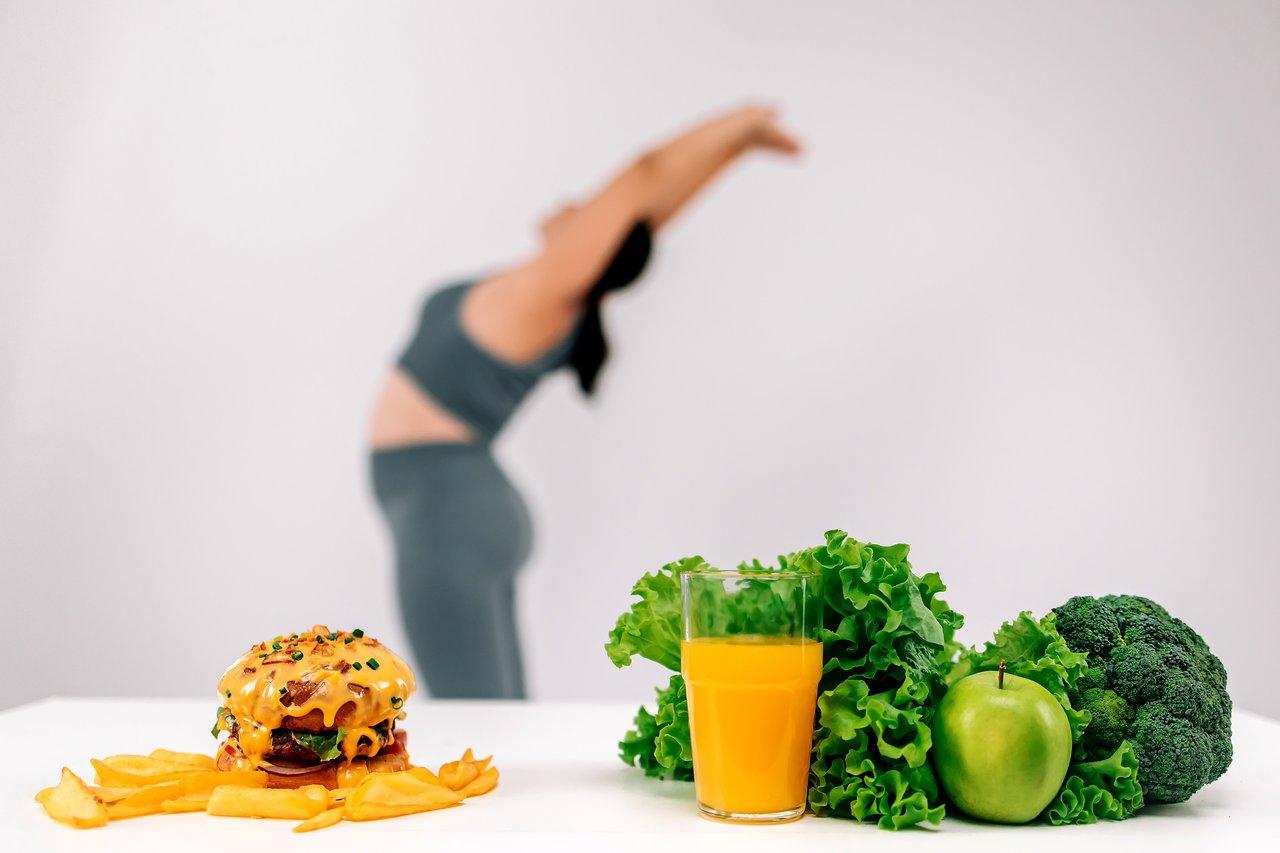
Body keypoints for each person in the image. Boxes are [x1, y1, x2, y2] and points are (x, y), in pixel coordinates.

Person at [368, 105, 801, 698]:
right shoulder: (541, 288)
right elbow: (650, 212)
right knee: (502, 718)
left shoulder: (551, 292)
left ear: (596, 248)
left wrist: (741, 123)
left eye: (596, 212)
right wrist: (734, 152)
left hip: (446, 516)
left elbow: (645, 176)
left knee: (477, 719)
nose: (580, 204)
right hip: (455, 508)